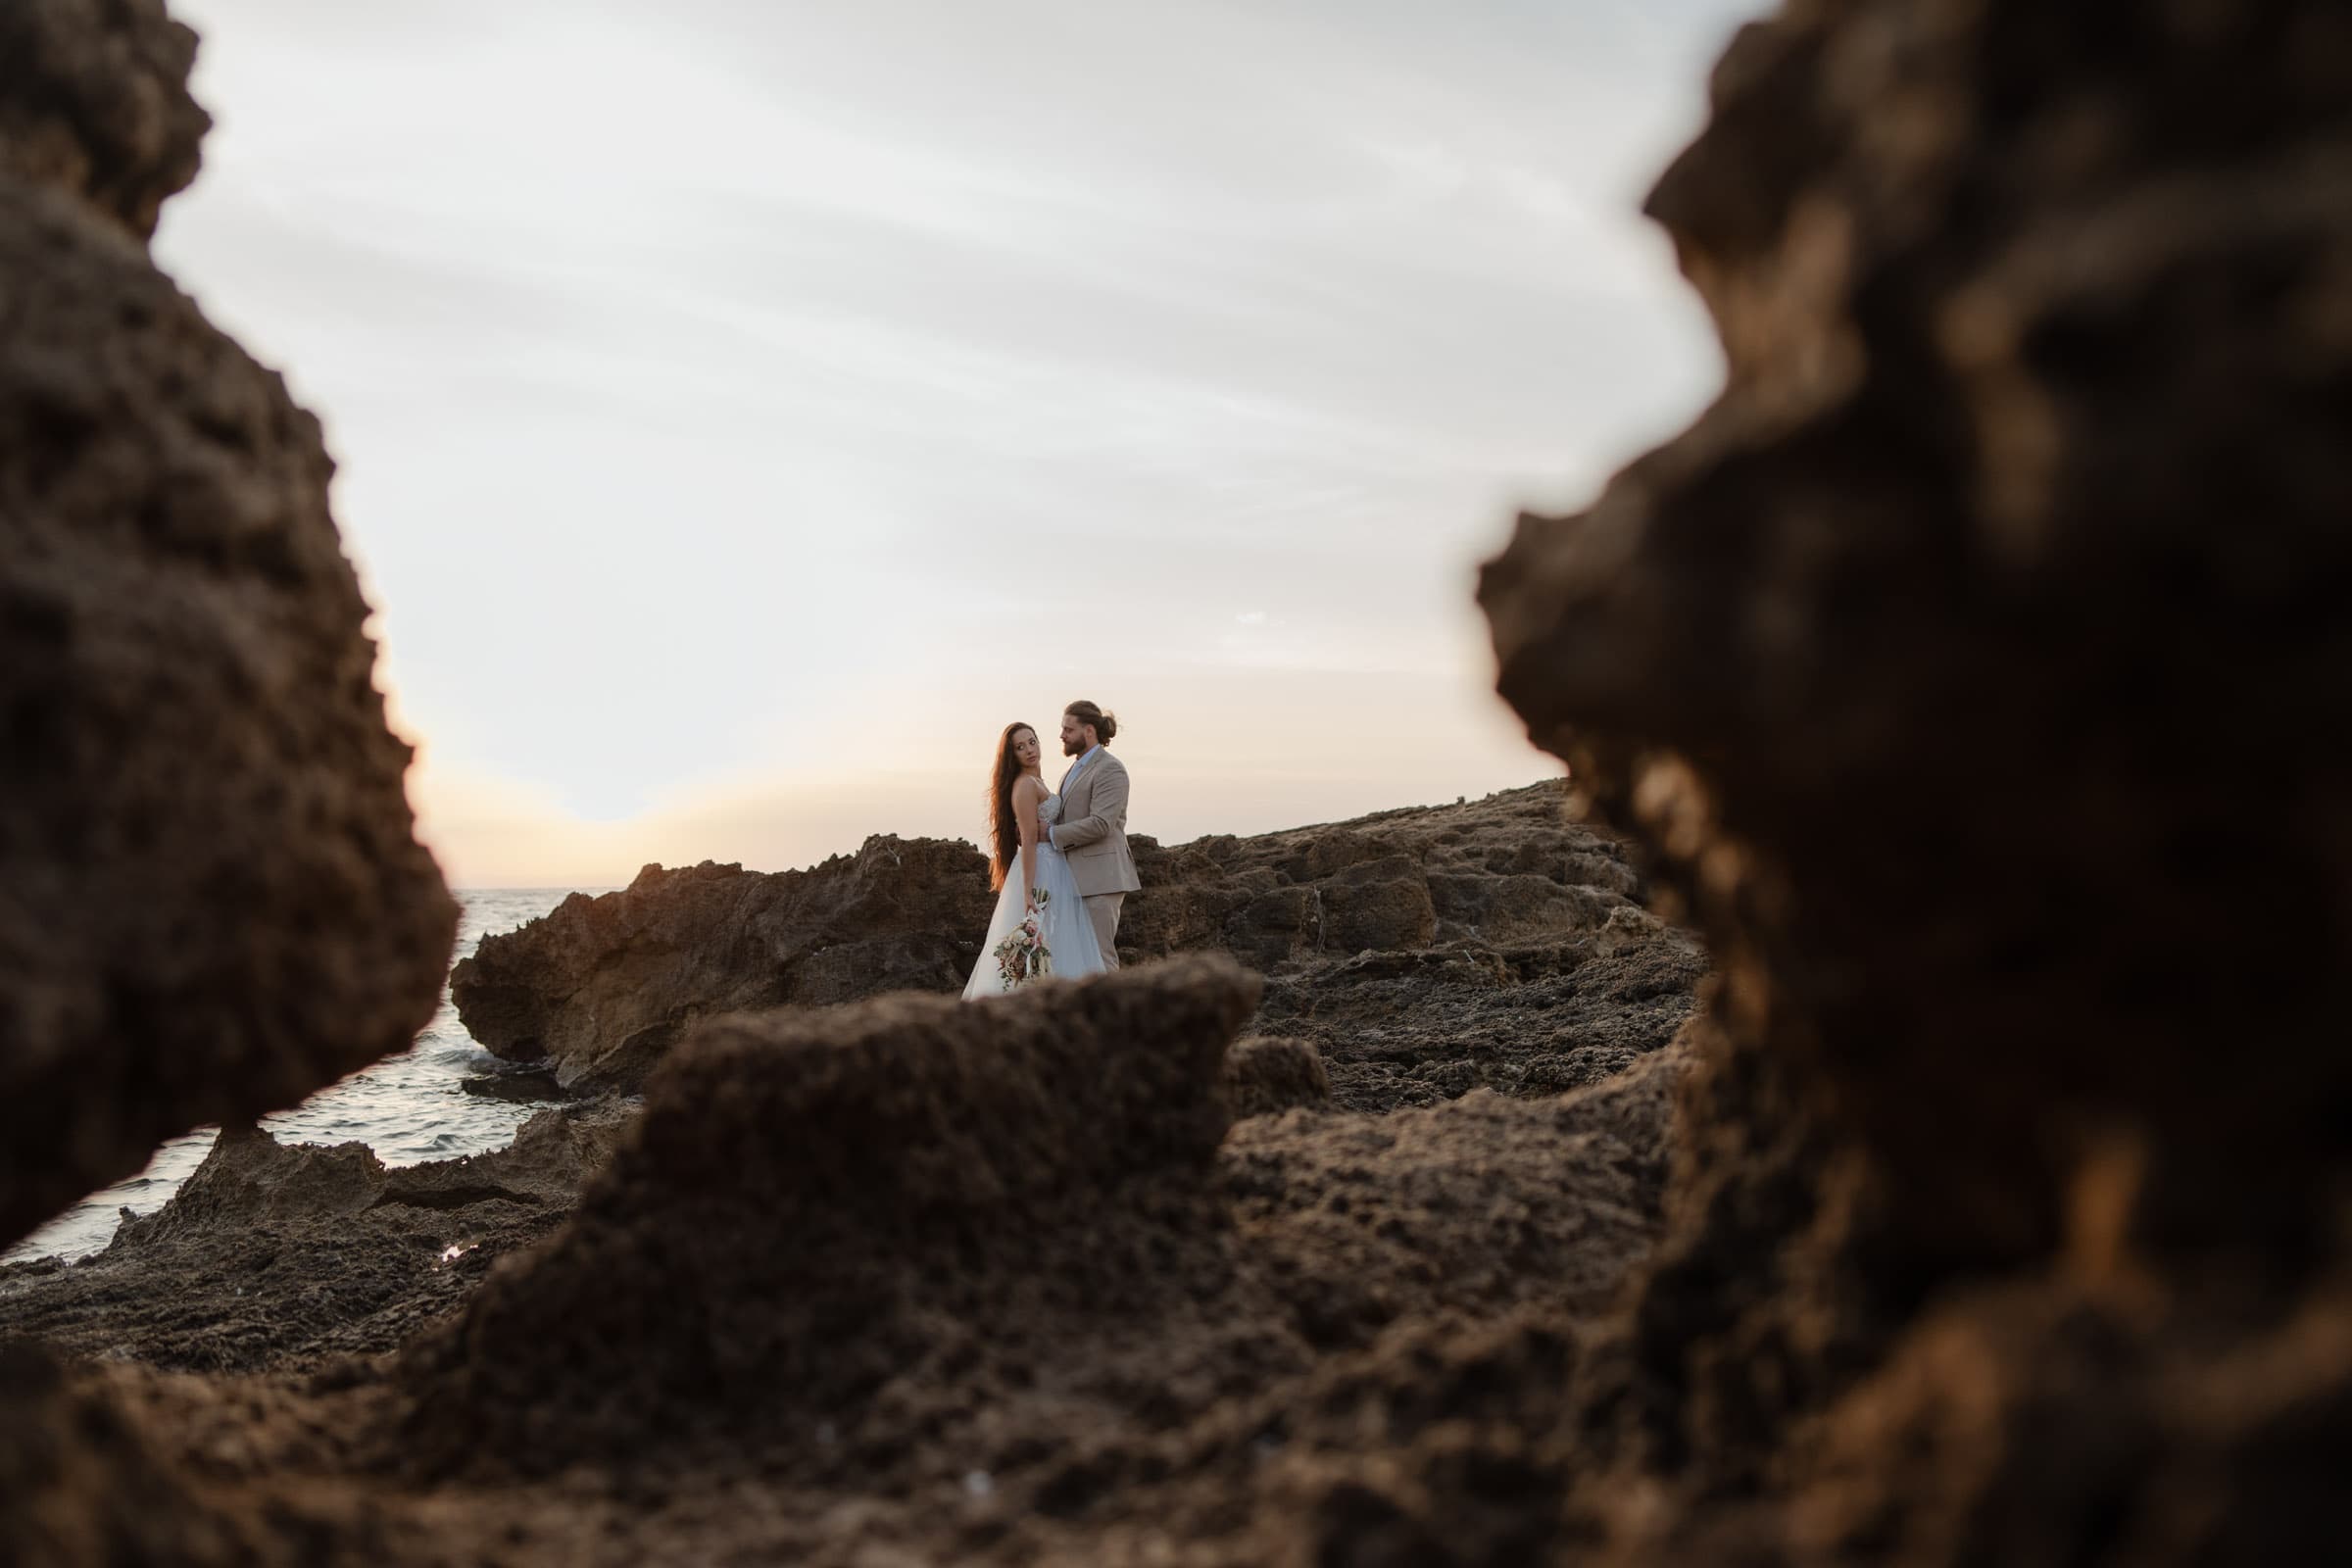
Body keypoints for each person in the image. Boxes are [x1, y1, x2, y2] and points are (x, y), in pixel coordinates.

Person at [961, 721, 1108, 998]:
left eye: (1032, 741)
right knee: (1046, 939)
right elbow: (1028, 839)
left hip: (1055, 865)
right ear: (1012, 756)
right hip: (1041, 869)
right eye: (1020, 747)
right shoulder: (1025, 785)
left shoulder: (1037, 780)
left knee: (1057, 940)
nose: (1030, 749)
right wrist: (1028, 891)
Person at [1042, 700, 1140, 966]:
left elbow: (1101, 823)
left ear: (1088, 731)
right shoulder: (1072, 770)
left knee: (1100, 958)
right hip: (1072, 880)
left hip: (1102, 879)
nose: (1062, 735)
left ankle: (1112, 1009)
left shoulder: (1110, 768)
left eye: (1068, 729)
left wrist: (1051, 834)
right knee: (1076, 959)